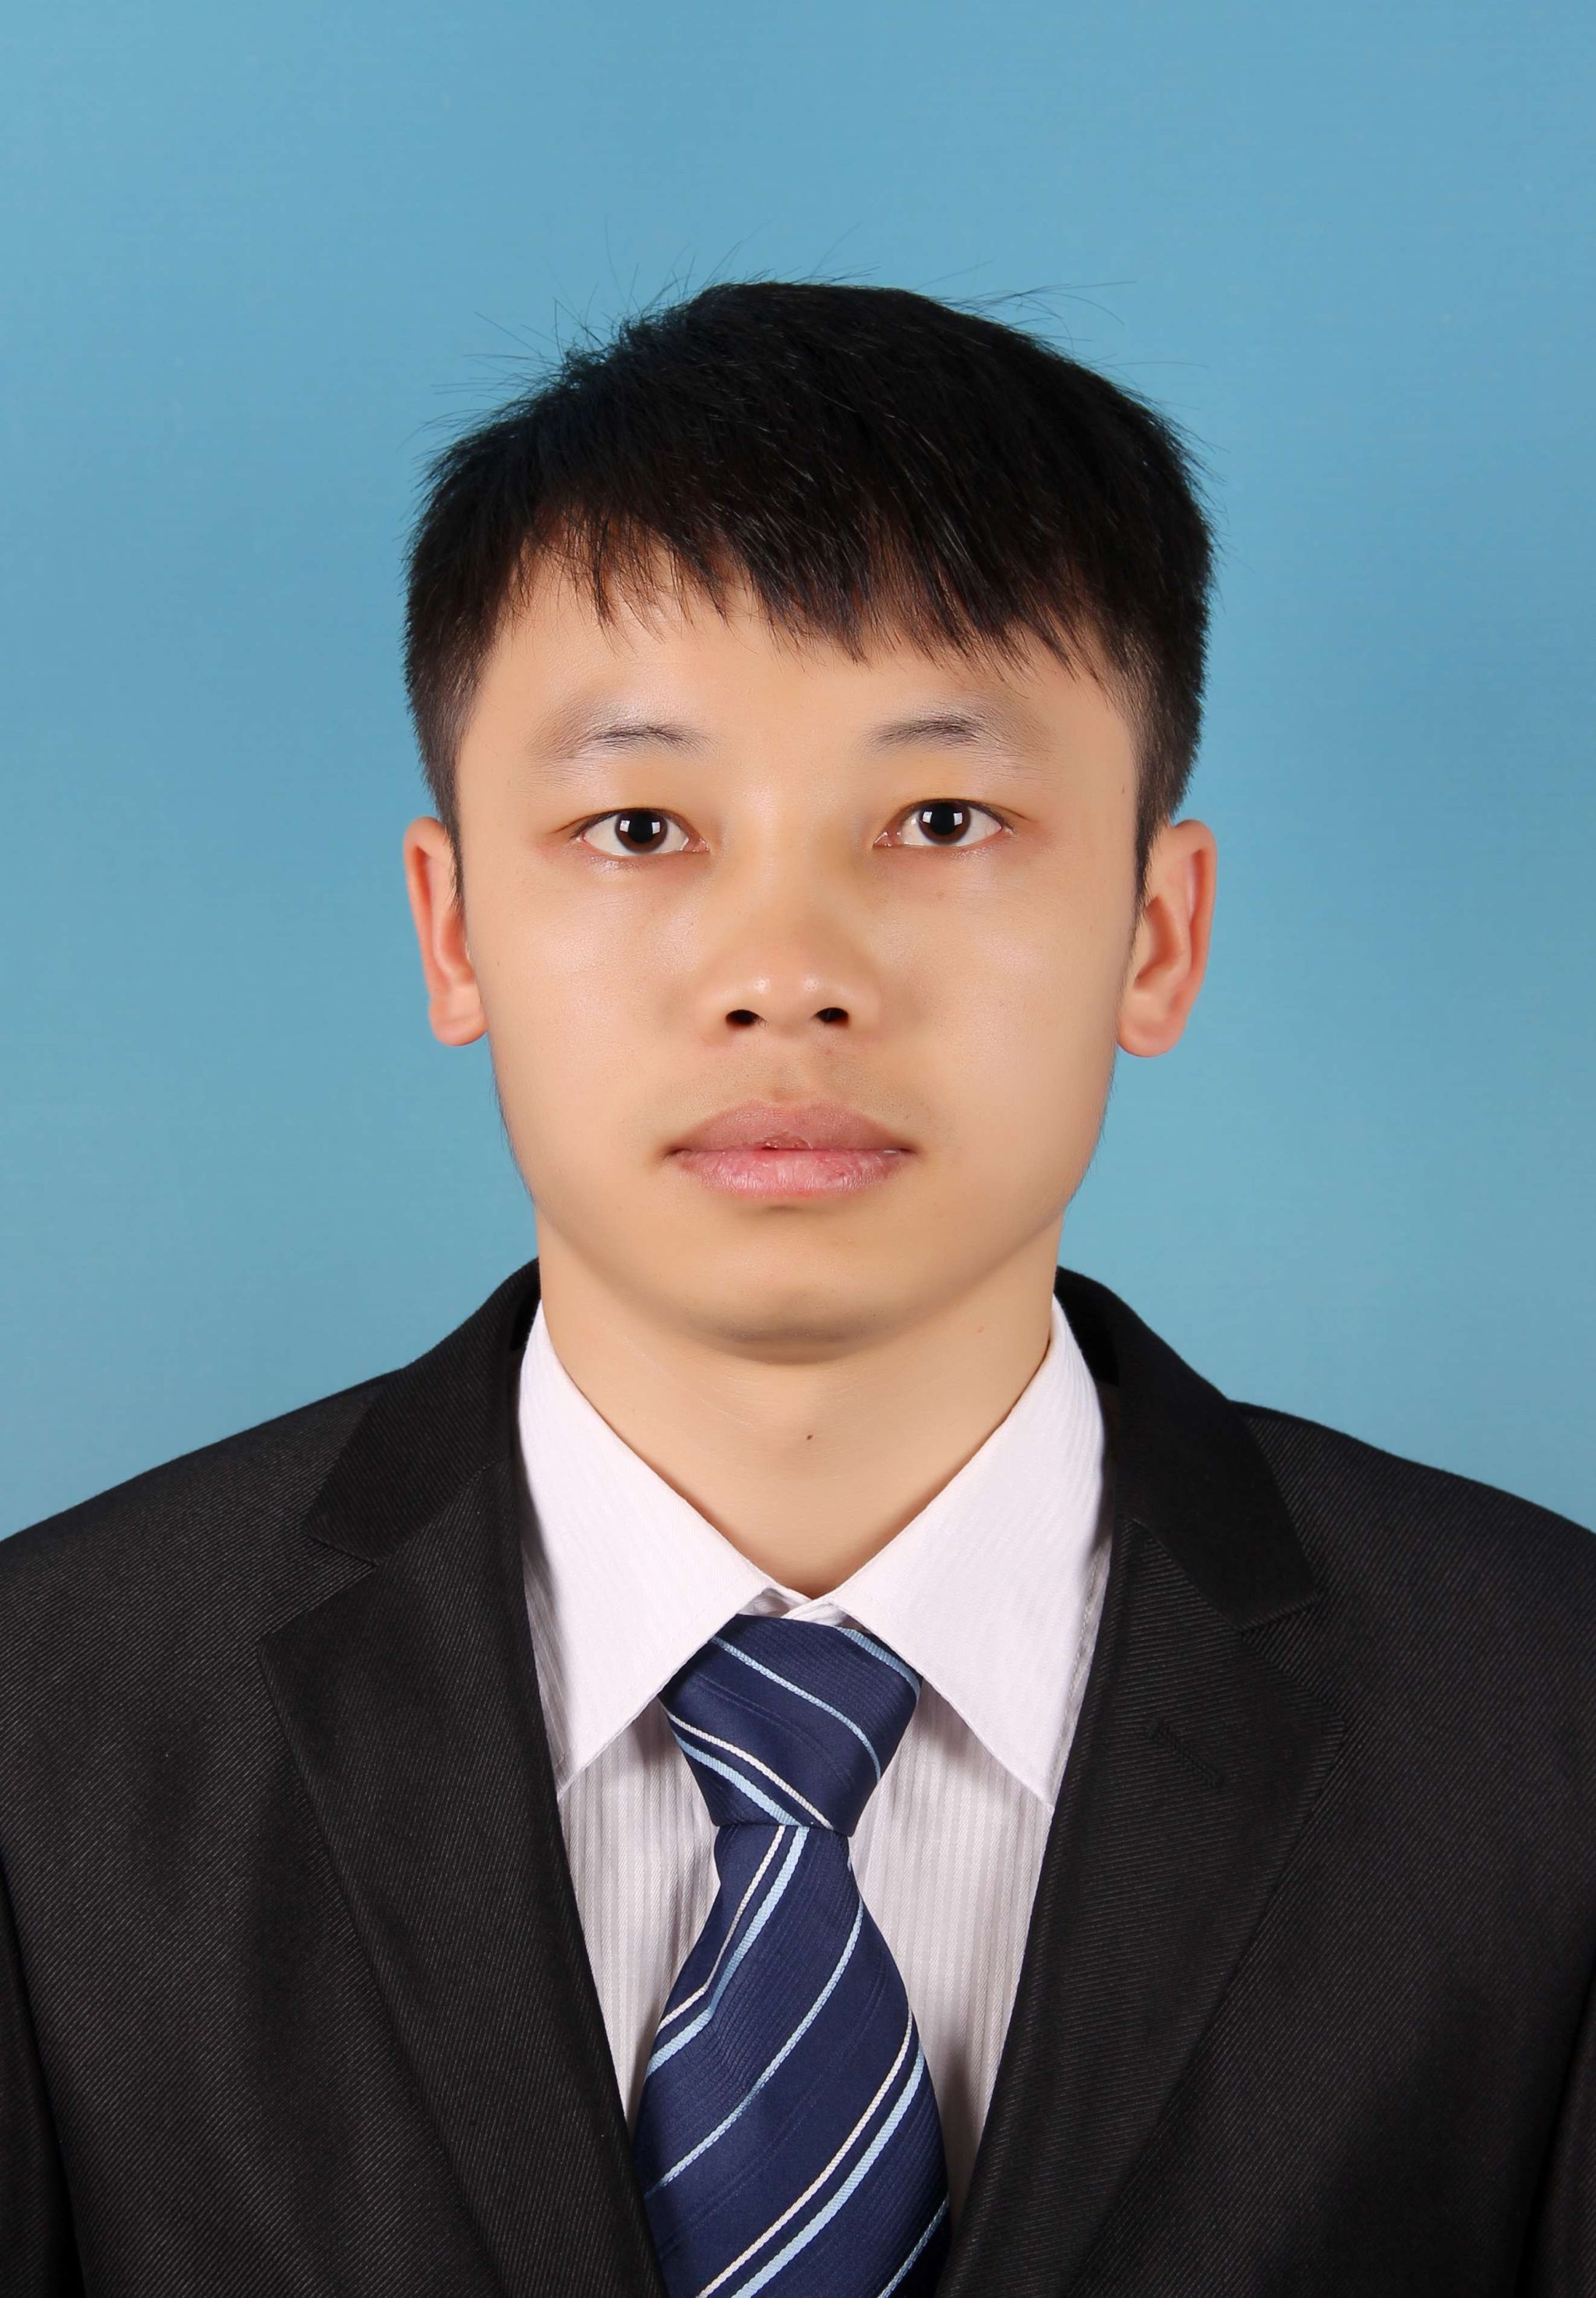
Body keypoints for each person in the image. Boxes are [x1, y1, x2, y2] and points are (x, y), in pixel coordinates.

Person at [2, 280, 1591, 2298]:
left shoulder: (1547, 1730)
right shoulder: (44, 1742)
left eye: (942, 819)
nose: (786, 972)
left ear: (1157, 932)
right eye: (639, 825)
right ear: (454, 926)